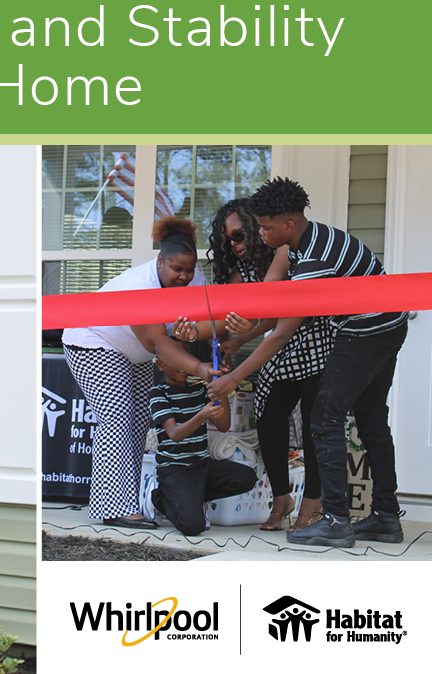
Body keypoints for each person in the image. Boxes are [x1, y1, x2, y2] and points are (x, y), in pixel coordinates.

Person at [246, 177, 409, 548]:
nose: (261, 232)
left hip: (367, 329)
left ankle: (335, 519)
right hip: (387, 324)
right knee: (370, 421)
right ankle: (386, 517)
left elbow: (284, 331)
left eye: (266, 226)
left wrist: (236, 371)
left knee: (324, 417)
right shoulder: (310, 240)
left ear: (288, 225)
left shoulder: (313, 257)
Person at [61, 217, 219, 529]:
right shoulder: (139, 286)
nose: (184, 276)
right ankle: (114, 507)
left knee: (136, 424)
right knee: (116, 418)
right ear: (160, 261)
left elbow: (207, 322)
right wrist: (199, 367)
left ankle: (127, 502)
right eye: (177, 269)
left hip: (133, 353)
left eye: (189, 269)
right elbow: (158, 342)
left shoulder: (193, 278)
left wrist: (192, 333)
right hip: (93, 341)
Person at [205, 201, 334, 531]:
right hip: (279, 345)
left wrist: (242, 340)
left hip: (317, 339)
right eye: (227, 241)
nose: (235, 244)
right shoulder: (241, 271)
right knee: (268, 417)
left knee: (313, 424)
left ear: (257, 226)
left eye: (239, 234)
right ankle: (281, 497)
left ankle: (313, 503)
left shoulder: (282, 252)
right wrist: (216, 336)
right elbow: (231, 319)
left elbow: (278, 311)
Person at [148, 342, 255, 535]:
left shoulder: (198, 390)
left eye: (186, 359)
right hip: (175, 470)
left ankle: (193, 496)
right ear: (160, 365)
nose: (183, 365)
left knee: (246, 478)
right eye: (175, 359)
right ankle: (161, 497)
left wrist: (219, 387)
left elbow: (223, 426)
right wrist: (201, 416)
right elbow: (175, 434)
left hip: (201, 465)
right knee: (193, 527)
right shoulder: (158, 393)